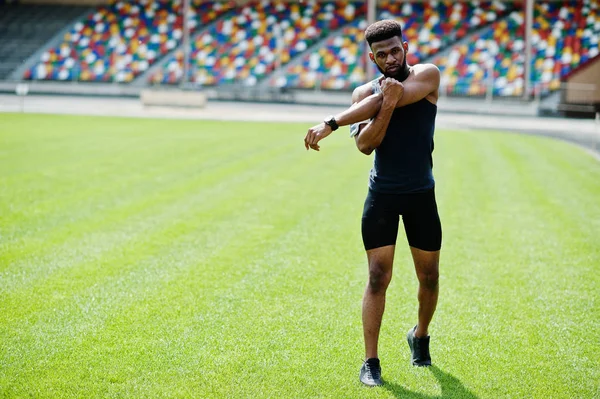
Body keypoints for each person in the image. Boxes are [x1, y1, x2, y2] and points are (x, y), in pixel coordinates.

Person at [303, 20, 442, 387]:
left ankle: (420, 335)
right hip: (382, 194)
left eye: (395, 50)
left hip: (420, 195)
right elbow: (366, 146)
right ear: (372, 57)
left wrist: (329, 123)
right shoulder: (361, 93)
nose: (390, 58)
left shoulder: (427, 75)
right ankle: (371, 362)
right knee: (378, 277)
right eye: (381, 54)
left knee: (429, 277)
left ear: (406, 47)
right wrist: (385, 106)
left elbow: (390, 96)